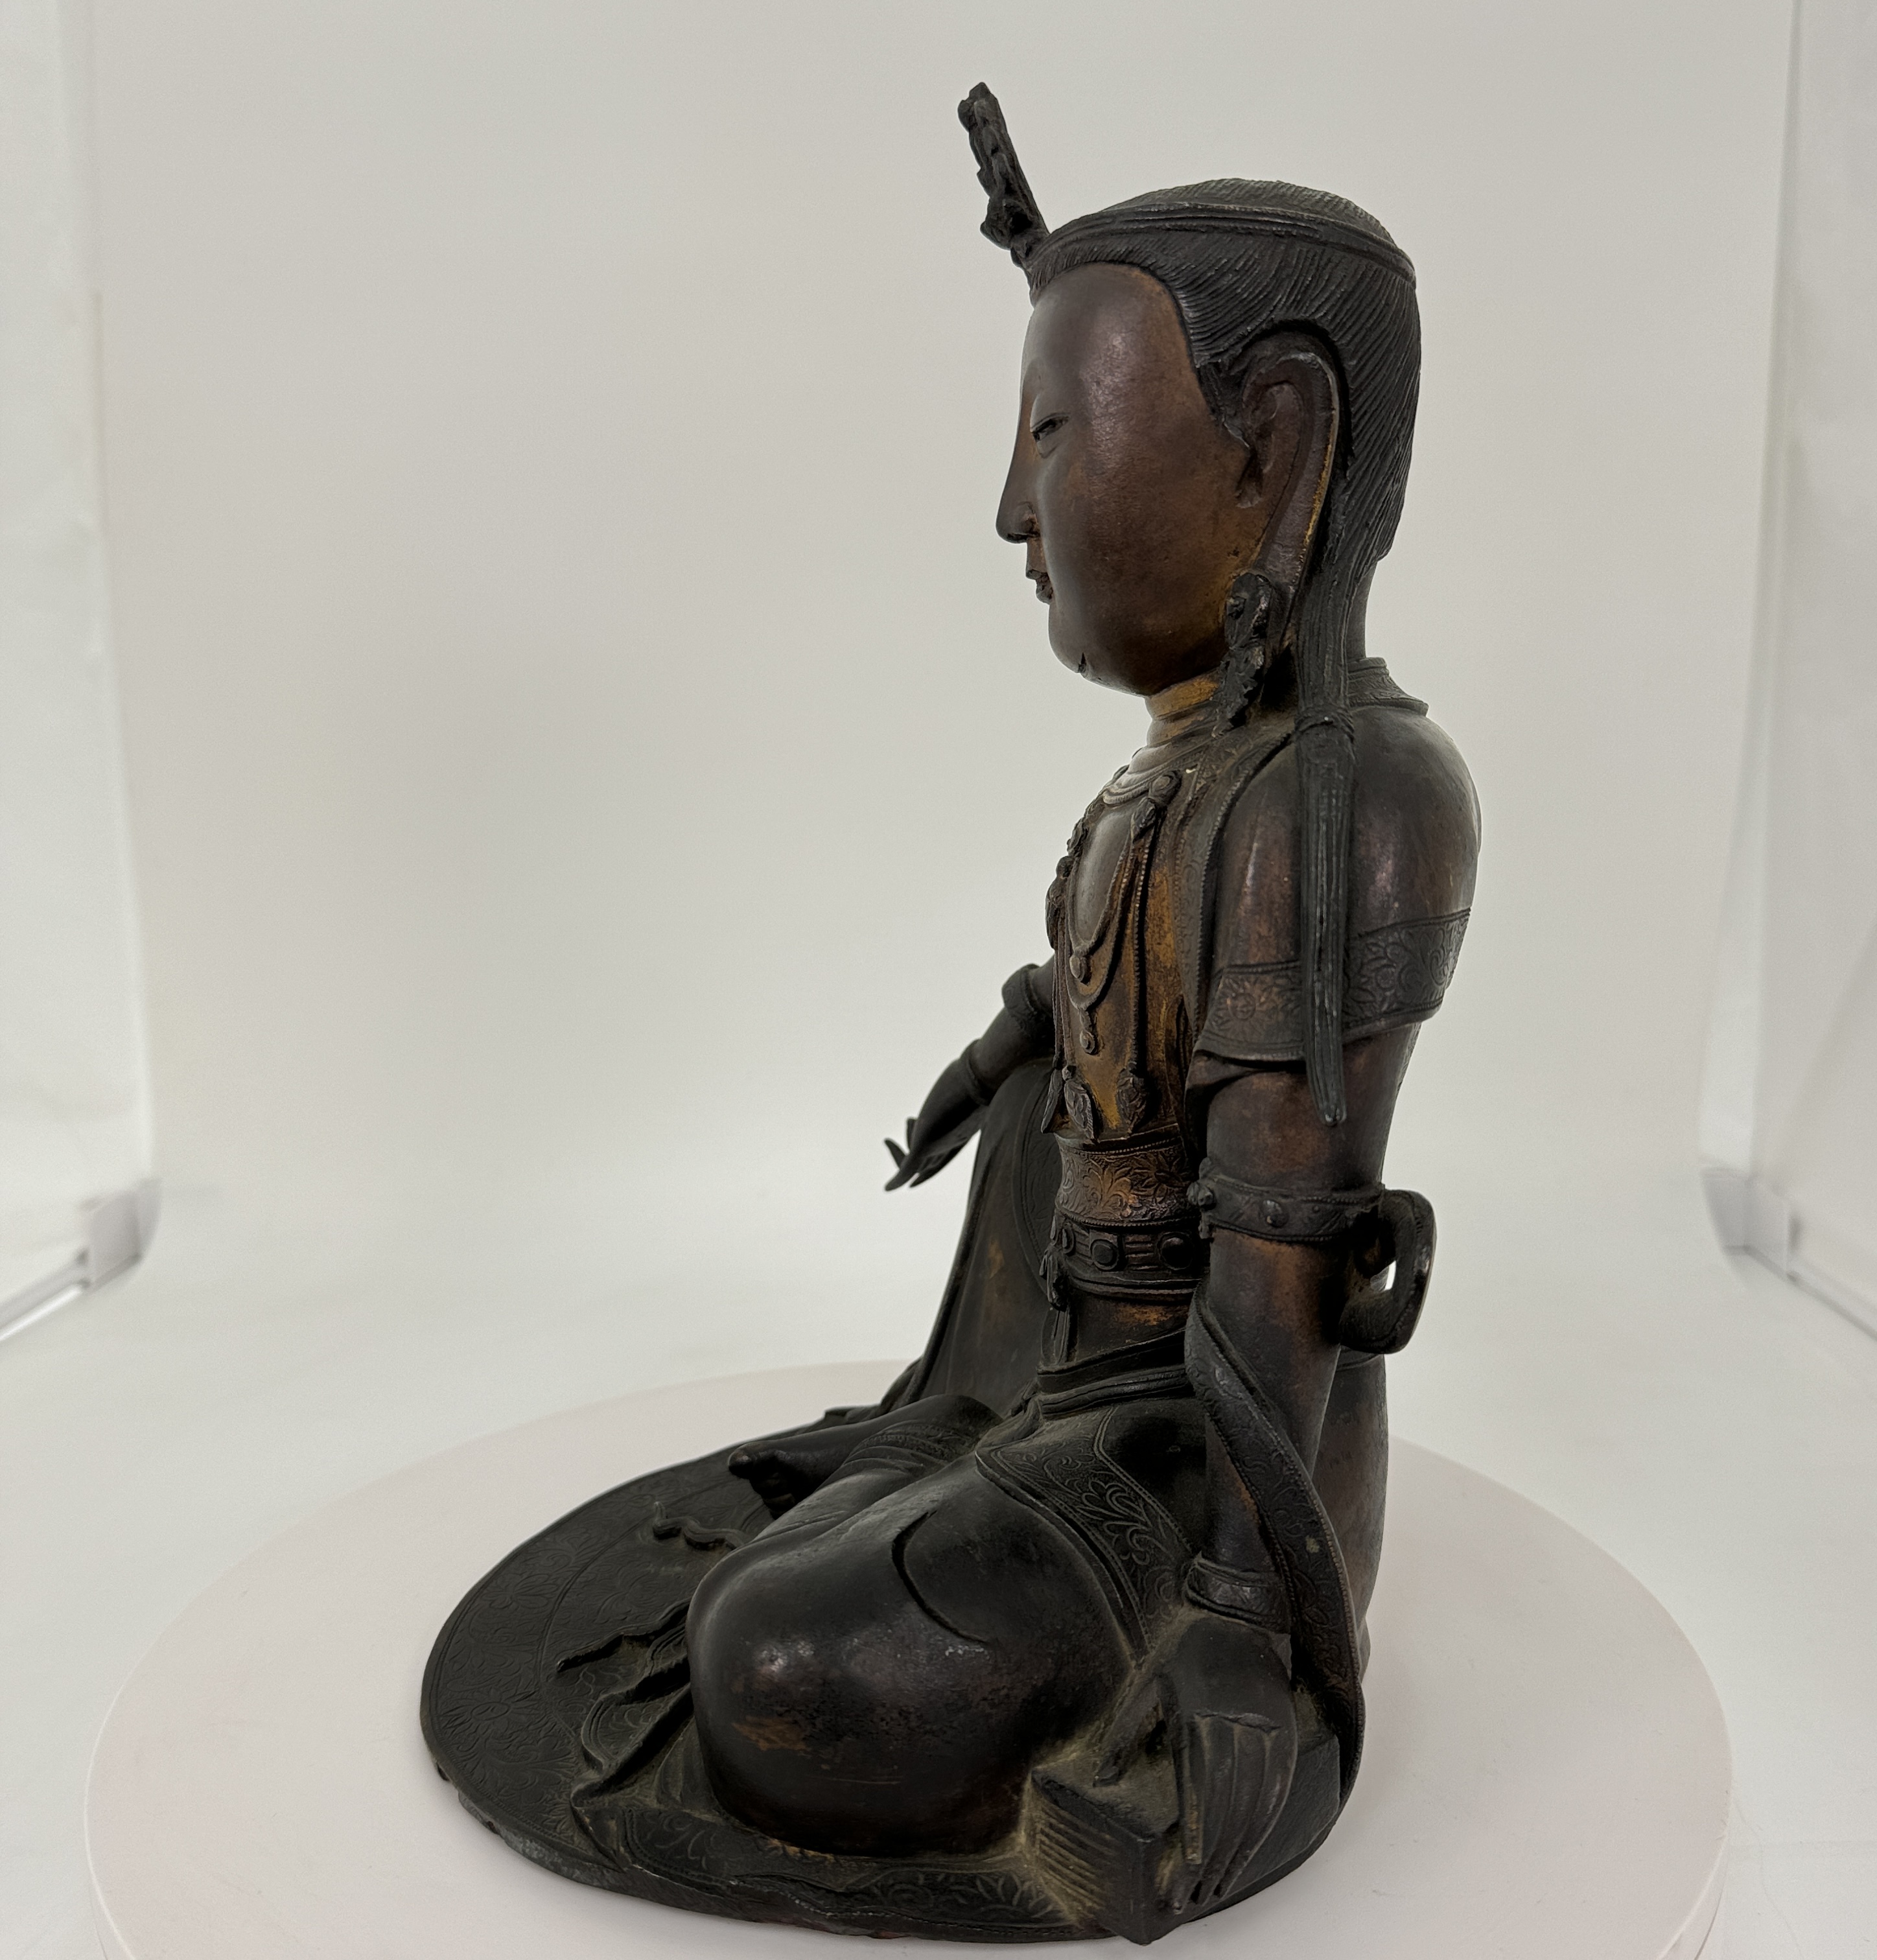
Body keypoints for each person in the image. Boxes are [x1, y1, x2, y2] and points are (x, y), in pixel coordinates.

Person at [423, 86, 1478, 1946]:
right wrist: (1006, 1053)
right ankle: (959, 1469)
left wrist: (1239, 1633)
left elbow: (1287, 1254)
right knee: (777, 1566)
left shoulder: (1345, 805)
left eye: (1055, 433)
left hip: (1198, 1449)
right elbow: (1094, 986)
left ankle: (1087, 1598)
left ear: (1277, 446)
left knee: (780, 1660)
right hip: (1053, 1362)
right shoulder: (1174, 781)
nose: (1009, 508)